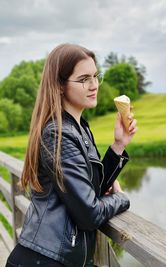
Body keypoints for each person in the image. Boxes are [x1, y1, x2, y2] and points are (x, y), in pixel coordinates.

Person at [6, 43, 137, 267]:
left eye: (96, 76)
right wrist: (122, 199)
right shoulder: (57, 135)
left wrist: (118, 146)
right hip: (44, 260)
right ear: (59, 85)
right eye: (84, 78)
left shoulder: (78, 128)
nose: (94, 84)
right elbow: (90, 214)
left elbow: (89, 191)